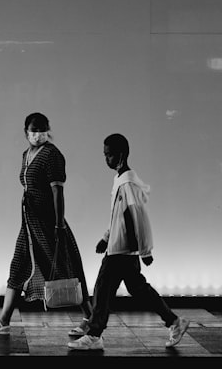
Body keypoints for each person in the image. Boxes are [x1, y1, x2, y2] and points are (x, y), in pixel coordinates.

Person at [67, 133, 189, 351]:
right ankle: (174, 321)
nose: (106, 159)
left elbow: (138, 216)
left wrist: (145, 249)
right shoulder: (121, 180)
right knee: (138, 289)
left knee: (103, 289)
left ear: (120, 155)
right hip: (120, 247)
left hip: (122, 250)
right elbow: (118, 215)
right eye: (105, 155)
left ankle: (95, 334)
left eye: (109, 155)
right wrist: (106, 238)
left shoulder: (128, 183)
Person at [0, 112, 93, 334]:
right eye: (33, 131)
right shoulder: (26, 154)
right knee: (18, 266)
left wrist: (59, 225)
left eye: (42, 131)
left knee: (67, 268)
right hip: (30, 225)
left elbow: (58, 191)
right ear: (25, 132)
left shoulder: (52, 155)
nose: (38, 135)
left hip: (49, 222)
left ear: (48, 131)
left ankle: (91, 318)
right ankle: (4, 320)